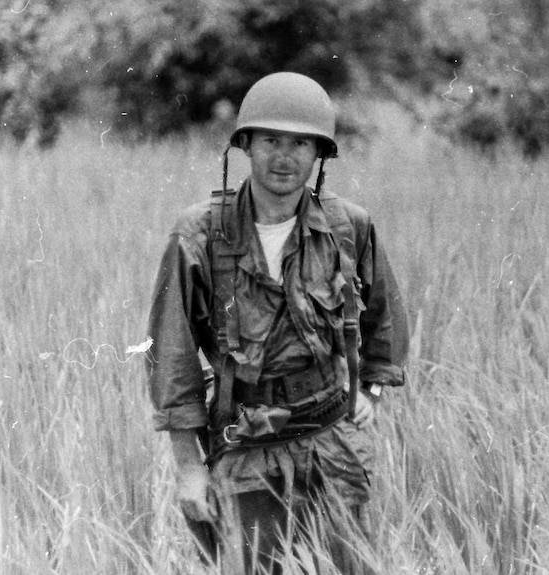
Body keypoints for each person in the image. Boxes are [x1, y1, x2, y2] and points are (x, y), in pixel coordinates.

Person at [145, 71, 409, 574]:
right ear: (245, 144)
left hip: (332, 442)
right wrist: (187, 469)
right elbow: (173, 355)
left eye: (300, 143)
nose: (284, 156)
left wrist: (371, 390)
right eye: (270, 140)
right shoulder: (199, 235)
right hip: (245, 445)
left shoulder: (347, 226)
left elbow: (384, 317)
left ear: (318, 154)